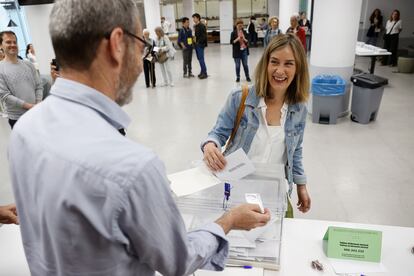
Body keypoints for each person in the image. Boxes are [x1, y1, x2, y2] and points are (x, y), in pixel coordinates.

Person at [9, 1, 271, 275]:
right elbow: (179, 261)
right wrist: (228, 221)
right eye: (140, 45)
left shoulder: (25, 130)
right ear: (117, 44)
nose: (140, 60)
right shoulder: (132, 168)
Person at [201, 34, 311, 217]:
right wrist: (210, 146)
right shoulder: (240, 97)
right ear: (266, 64)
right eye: (274, 62)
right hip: (237, 190)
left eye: (289, 64)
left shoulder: (299, 109)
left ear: (298, 68)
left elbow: (295, 150)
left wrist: (301, 185)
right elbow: (218, 133)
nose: (280, 71)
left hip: (274, 194)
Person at [0, 31, 43, 129]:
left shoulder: (28, 65)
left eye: (15, 42)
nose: (13, 45)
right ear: (1, 45)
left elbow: (39, 86)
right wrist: (30, 107)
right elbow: (5, 96)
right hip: (17, 118)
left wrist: (38, 103)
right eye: (8, 42)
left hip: (36, 113)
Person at [230, 19, 251, 83]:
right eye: (239, 26)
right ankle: (238, 77)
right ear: (236, 26)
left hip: (244, 50)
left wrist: (244, 39)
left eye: (241, 26)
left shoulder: (245, 32)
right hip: (236, 51)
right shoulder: (233, 33)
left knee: (245, 65)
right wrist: (237, 39)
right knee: (237, 65)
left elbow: (248, 42)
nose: (240, 27)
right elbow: (231, 42)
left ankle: (247, 76)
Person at [192, 13, 208, 79]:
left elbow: (204, 36)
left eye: (194, 18)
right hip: (196, 44)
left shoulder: (202, 26)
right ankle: (202, 71)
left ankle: (204, 73)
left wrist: (198, 42)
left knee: (201, 59)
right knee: (199, 59)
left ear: (198, 18)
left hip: (200, 45)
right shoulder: (196, 26)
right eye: (193, 18)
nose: (193, 19)